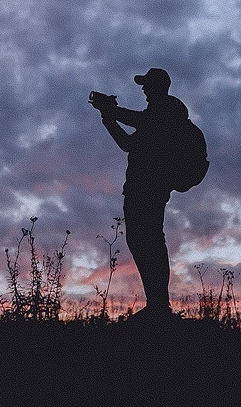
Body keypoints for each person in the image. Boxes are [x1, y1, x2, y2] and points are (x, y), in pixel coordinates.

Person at [89, 67, 188, 320]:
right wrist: (107, 118)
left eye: (147, 85)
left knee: (150, 242)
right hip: (137, 188)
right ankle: (156, 303)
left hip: (151, 188)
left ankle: (159, 306)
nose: (143, 89)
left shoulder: (169, 110)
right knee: (141, 242)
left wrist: (112, 110)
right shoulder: (152, 117)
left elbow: (139, 121)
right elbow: (127, 144)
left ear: (159, 86)